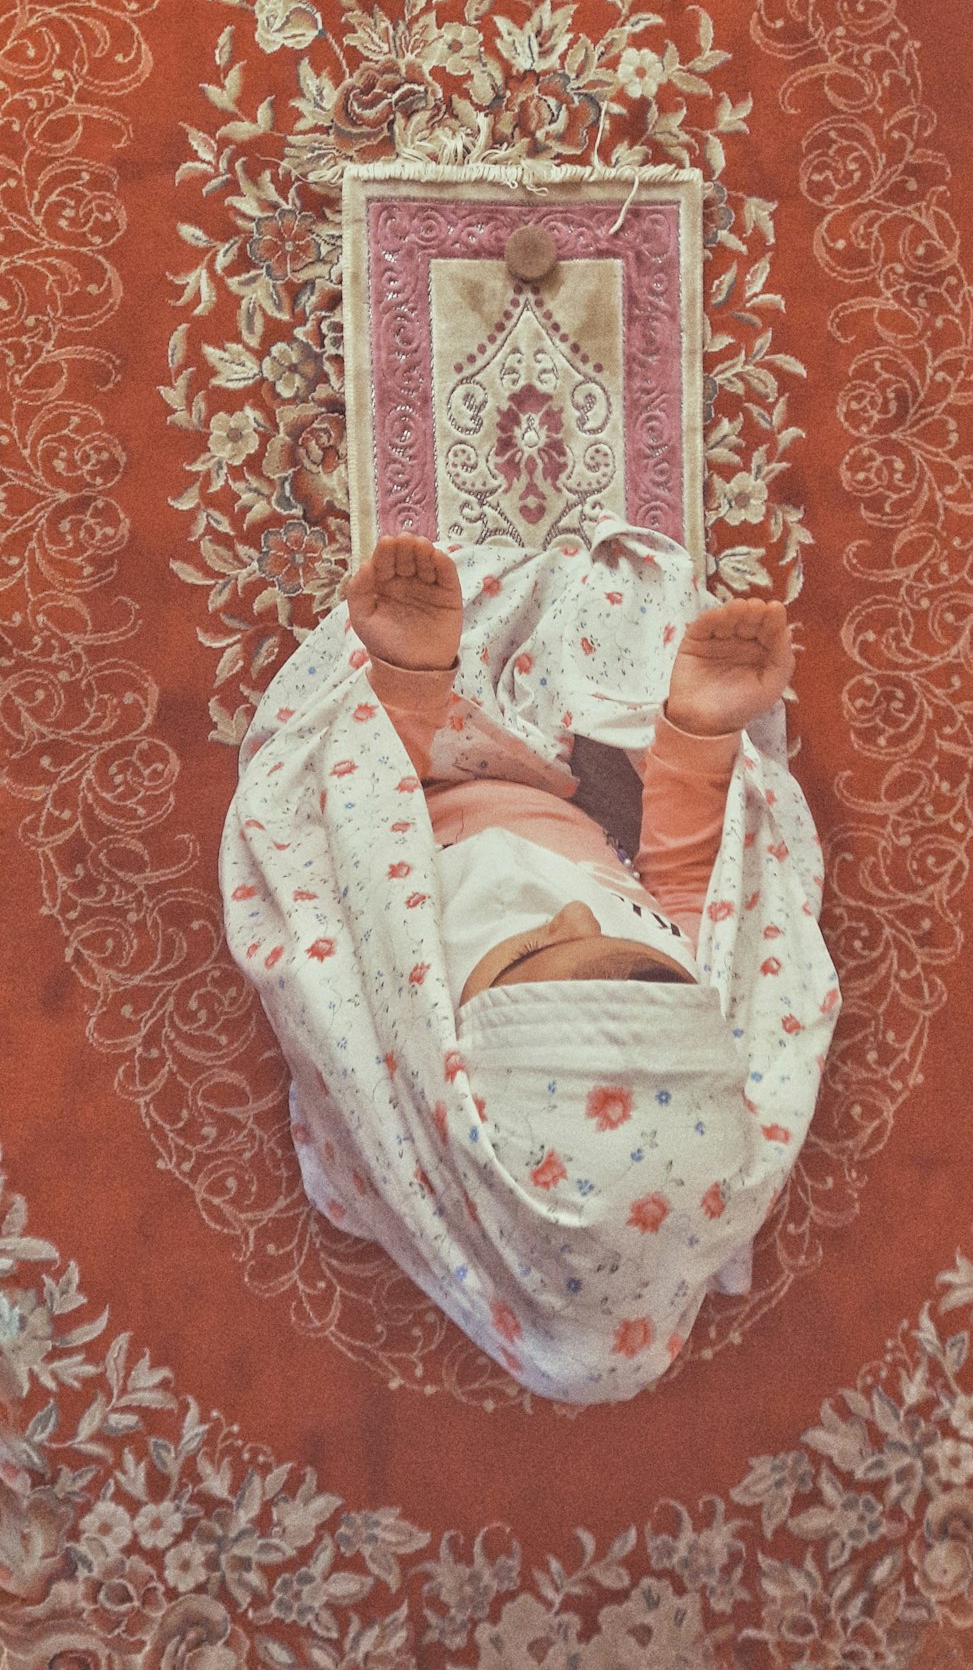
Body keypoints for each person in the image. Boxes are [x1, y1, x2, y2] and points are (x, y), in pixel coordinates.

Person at [220, 513, 840, 1402]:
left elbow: (343, 853)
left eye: (526, 956)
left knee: (349, 765)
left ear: (452, 1049)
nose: (577, 911)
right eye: (647, 963)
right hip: (581, 803)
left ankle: (415, 676)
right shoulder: (661, 980)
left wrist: (407, 687)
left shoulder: (406, 1023)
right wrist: (697, 741)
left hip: (420, 804)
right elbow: (689, 883)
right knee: (639, 639)